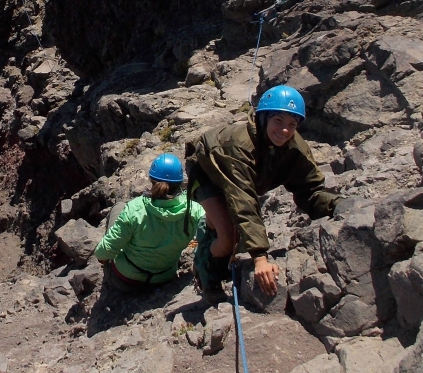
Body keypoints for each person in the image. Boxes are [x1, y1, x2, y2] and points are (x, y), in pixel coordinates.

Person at [184, 85, 341, 296]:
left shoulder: (295, 149)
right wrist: (260, 258)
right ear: (264, 118)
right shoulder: (238, 146)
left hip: (239, 179)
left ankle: (210, 225)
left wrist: (337, 205)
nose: (285, 130)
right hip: (207, 173)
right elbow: (243, 200)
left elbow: (310, 191)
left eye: (292, 124)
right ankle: (206, 273)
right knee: (230, 238)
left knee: (230, 226)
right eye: (278, 121)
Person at [94, 153, 206, 292]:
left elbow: (102, 253)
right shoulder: (195, 210)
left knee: (119, 207)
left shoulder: (135, 208)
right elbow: (206, 237)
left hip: (126, 280)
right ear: (180, 182)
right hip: (164, 277)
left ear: (151, 180)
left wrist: (104, 258)